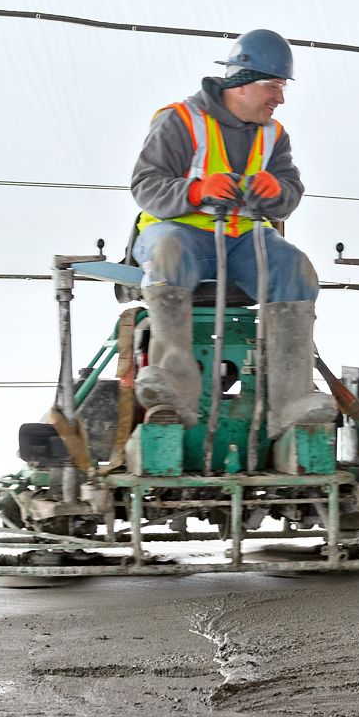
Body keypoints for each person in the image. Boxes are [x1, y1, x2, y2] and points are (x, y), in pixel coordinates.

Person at [128, 28, 333, 433]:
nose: (280, 98)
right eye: (273, 86)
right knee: (170, 252)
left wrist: (279, 191)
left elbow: (290, 192)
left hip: (243, 238)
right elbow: (145, 186)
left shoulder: (275, 135)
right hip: (177, 232)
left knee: (296, 269)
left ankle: (291, 402)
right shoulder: (180, 121)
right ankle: (171, 390)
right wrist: (197, 190)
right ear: (240, 84)